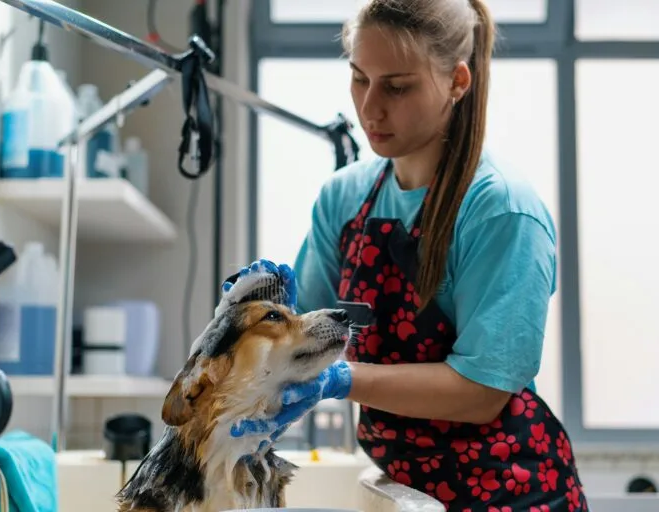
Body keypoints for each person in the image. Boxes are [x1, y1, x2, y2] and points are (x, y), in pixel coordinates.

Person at [229, 0, 588, 510]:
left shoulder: (501, 211)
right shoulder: (345, 198)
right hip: (406, 490)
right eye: (359, 78)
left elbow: (481, 392)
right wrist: (254, 322)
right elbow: (299, 334)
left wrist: (341, 379)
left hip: (512, 489)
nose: (370, 108)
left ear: (457, 82)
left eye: (397, 87)